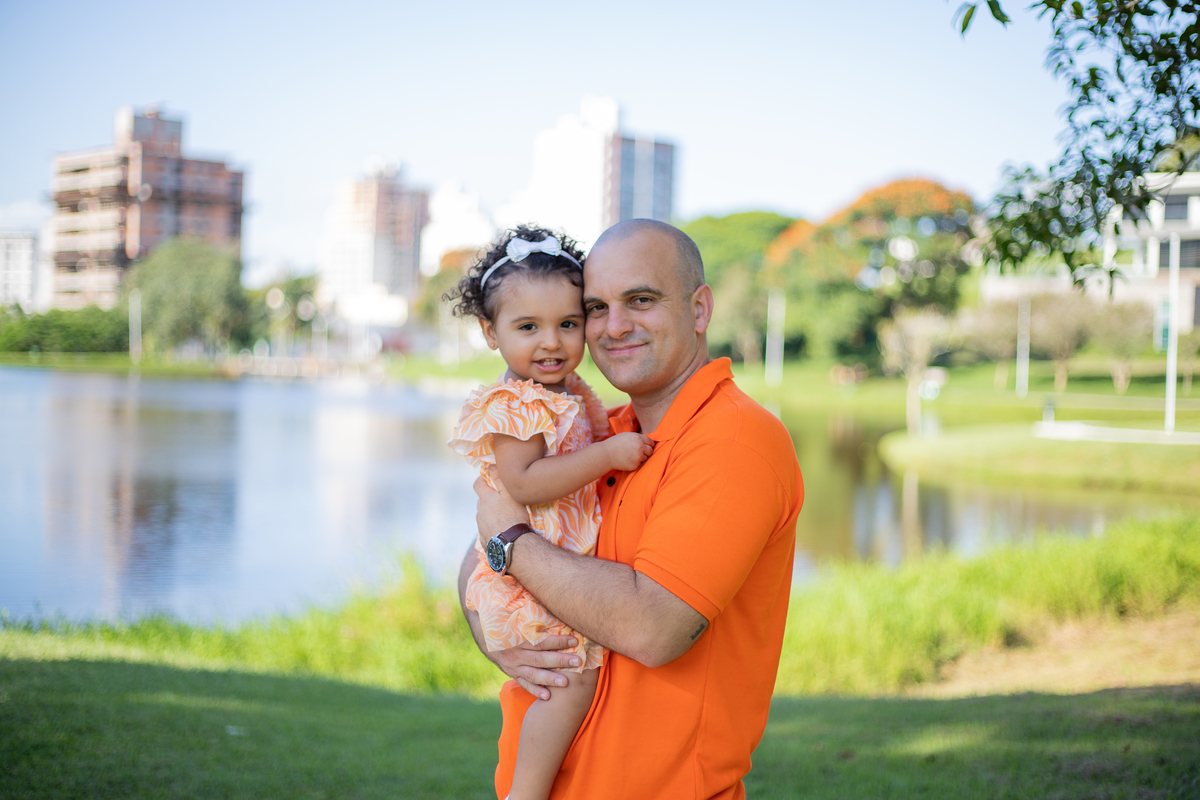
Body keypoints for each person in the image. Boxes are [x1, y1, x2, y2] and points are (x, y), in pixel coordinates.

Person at [460, 219, 805, 799]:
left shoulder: (734, 440)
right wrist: (503, 640)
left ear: (699, 309)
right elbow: (484, 550)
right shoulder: (602, 434)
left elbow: (653, 627)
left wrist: (512, 544)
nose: (614, 326)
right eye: (596, 308)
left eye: (640, 300)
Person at [446, 224, 656, 800]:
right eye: (528, 327)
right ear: (490, 332)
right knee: (569, 682)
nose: (551, 342)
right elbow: (525, 482)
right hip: (533, 571)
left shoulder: (564, 393)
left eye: (568, 323)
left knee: (572, 681)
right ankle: (527, 792)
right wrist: (608, 455)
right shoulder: (516, 402)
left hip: (548, 559)